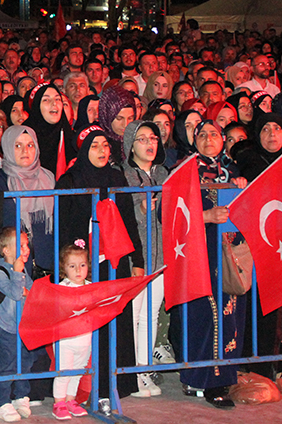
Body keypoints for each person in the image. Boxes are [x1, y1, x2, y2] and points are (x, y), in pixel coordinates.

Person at [56, 125, 143, 400]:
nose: (102, 151)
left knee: (115, 322)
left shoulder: (116, 177)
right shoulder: (69, 181)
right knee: (82, 333)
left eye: (105, 146)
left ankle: (114, 385)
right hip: (81, 269)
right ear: (83, 150)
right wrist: (69, 266)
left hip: (112, 264)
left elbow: (129, 220)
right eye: (94, 146)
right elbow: (62, 227)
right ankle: (78, 391)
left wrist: (137, 259)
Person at [170, 120, 244, 409]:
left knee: (229, 314)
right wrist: (206, 216)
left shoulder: (232, 171)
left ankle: (221, 379)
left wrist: (241, 186)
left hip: (226, 253)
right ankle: (198, 377)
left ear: (223, 139)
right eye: (202, 134)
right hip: (196, 252)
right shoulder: (184, 171)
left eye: (214, 134)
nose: (209, 139)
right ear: (194, 140)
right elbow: (172, 214)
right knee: (201, 313)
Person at [120, 120, 168, 398]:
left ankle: (144, 368)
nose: (149, 144)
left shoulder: (164, 173)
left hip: (161, 256)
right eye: (141, 139)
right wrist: (140, 207)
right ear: (129, 145)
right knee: (135, 314)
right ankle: (132, 373)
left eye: (153, 138)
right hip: (136, 256)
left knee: (151, 314)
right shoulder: (123, 174)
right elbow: (123, 215)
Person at [0, 228, 35, 422]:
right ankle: (2, 402)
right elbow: (16, 294)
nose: (26, 250)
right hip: (7, 328)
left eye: (27, 245)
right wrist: (17, 275)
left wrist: (25, 286)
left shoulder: (23, 270)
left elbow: (32, 292)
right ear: (6, 251)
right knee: (7, 365)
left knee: (25, 362)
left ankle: (21, 396)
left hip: (24, 326)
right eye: (21, 246)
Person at [0, 125, 56, 275]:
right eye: (18, 146)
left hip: (48, 263)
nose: (25, 151)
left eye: (30, 145)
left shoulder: (49, 178)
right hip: (13, 267)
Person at [51, 243, 91, 419]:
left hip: (85, 339)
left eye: (82, 265)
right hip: (65, 340)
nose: (78, 270)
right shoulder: (62, 288)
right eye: (72, 266)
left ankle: (70, 400)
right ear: (64, 268)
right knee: (64, 372)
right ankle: (58, 403)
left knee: (77, 371)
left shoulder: (91, 287)